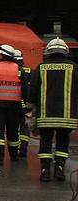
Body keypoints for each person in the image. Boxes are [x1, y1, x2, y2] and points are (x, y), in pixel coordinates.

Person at [29, 38, 78, 181]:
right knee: (63, 140)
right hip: (67, 115)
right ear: (65, 51)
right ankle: (59, 169)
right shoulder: (75, 67)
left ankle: (45, 171)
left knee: (45, 140)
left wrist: (31, 104)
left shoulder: (41, 67)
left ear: (48, 51)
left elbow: (33, 89)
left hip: (46, 115)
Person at [13, 49, 32, 158]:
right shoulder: (31, 71)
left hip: (15, 103)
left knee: (14, 127)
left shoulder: (12, 71)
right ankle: (23, 148)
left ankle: (15, 149)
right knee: (25, 127)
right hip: (27, 105)